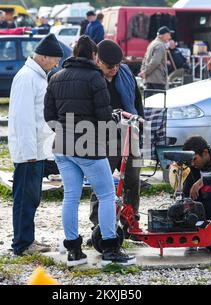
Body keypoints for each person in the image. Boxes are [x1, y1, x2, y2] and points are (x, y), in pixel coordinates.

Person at [44, 35, 136, 267]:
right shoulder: (95, 78)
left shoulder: (56, 77)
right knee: (107, 195)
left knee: (71, 197)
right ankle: (110, 249)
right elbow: (104, 116)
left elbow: (49, 116)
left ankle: (74, 251)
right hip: (88, 146)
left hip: (62, 146)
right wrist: (114, 118)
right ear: (94, 55)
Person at [8, 33, 63, 256]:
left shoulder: (37, 76)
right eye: (55, 59)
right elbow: (23, 119)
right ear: (43, 57)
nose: (57, 63)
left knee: (32, 197)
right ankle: (22, 243)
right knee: (25, 199)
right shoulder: (27, 78)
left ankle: (27, 239)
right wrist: (30, 152)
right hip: (28, 152)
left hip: (37, 150)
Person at [89, 39, 144, 232]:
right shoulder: (92, 78)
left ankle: (130, 222)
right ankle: (98, 226)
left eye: (117, 65)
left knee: (133, 179)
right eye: (110, 66)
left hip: (130, 133)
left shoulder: (126, 74)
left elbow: (137, 102)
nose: (114, 69)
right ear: (98, 61)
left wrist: (140, 127)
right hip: (104, 137)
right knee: (102, 181)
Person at [139, 26, 171, 97]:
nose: (170, 37)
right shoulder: (160, 45)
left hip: (150, 79)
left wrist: (143, 71)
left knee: (147, 101)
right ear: (164, 35)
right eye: (169, 35)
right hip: (157, 79)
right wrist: (145, 72)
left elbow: (145, 59)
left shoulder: (152, 43)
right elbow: (155, 62)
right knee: (160, 101)